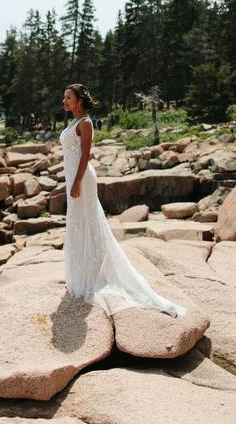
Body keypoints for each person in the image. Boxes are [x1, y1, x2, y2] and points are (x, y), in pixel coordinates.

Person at [60, 83, 187, 318]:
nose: (64, 101)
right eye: (64, 97)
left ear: (79, 100)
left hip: (82, 179)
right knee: (78, 224)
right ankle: (83, 273)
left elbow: (85, 156)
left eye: (68, 97)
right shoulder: (73, 122)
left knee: (87, 222)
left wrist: (77, 182)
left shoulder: (86, 123)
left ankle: (93, 275)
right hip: (72, 178)